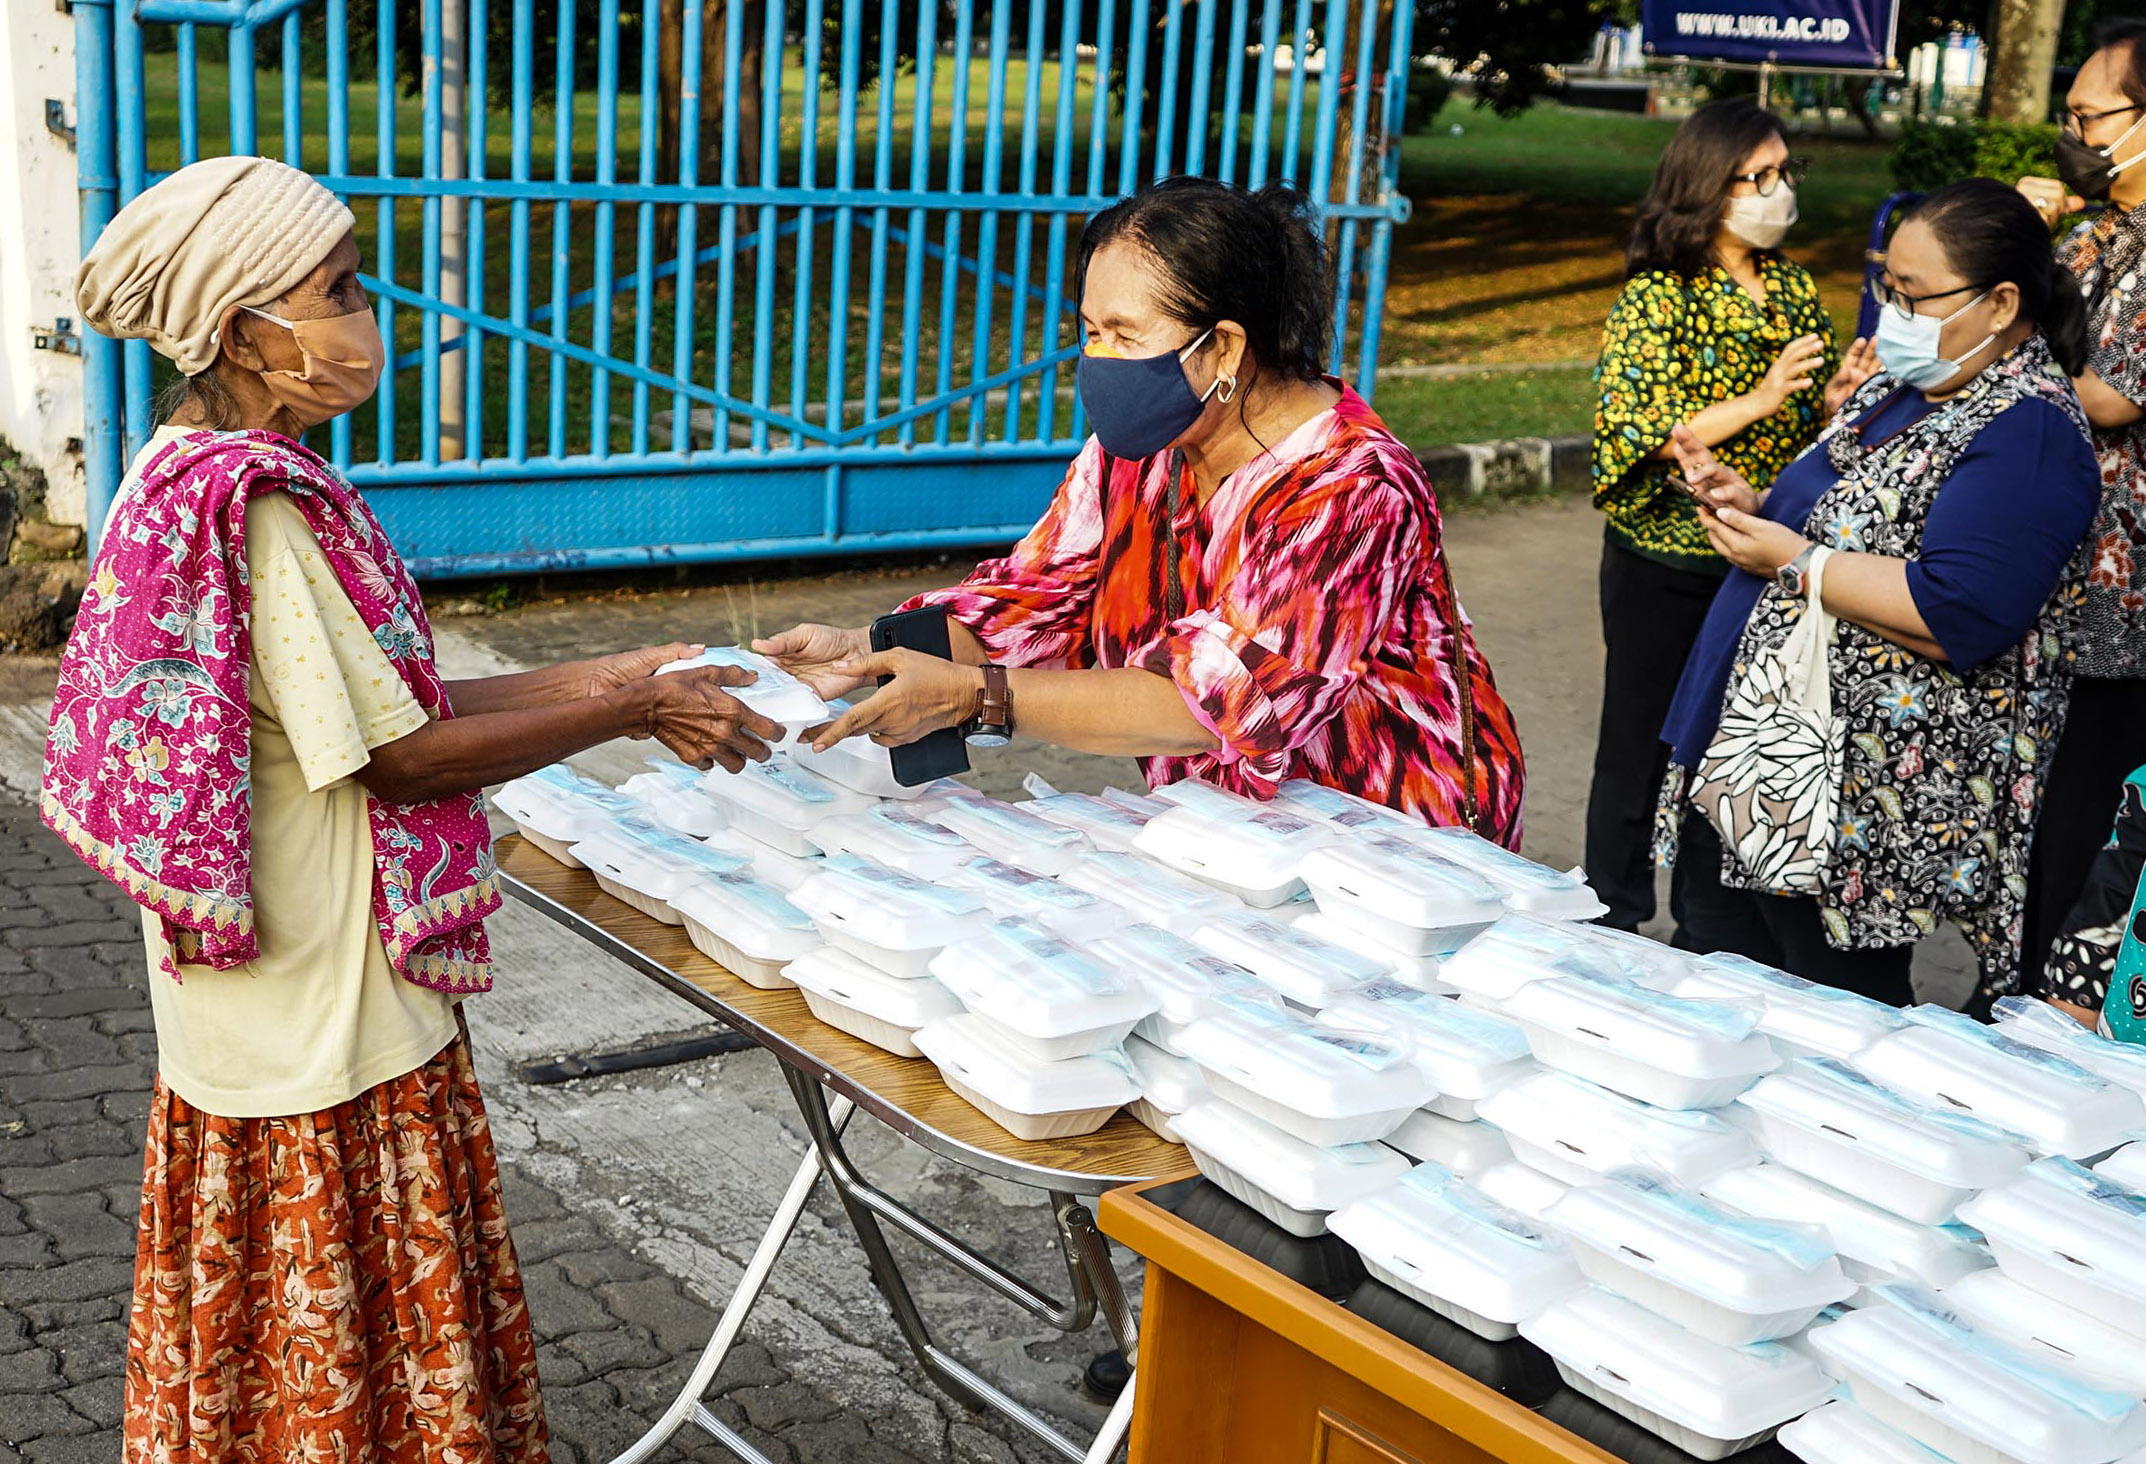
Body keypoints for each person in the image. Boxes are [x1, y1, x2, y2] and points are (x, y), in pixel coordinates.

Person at [53, 156, 784, 1462]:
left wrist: (613, 671)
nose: (359, 315)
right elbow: (398, 758)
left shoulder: (171, 474)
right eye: (332, 290)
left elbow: (363, 697)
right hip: (328, 1015)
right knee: (356, 1361)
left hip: (243, 1005)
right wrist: (633, 714)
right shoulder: (258, 510)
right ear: (245, 333)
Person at [756, 177, 1524, 841]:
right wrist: (868, 649)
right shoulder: (1143, 449)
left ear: (1223, 348)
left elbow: (1210, 704)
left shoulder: (1351, 489)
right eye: (1090, 332)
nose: (1099, 361)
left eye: (1125, 334)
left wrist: (980, 697)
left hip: (1397, 842)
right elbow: (1036, 594)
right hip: (1230, 838)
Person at [1658, 179, 2100, 1003]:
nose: (1890, 312)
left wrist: (1793, 561)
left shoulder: (2028, 429)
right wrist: (1752, 502)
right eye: (1885, 288)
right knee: (1710, 983)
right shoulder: (1907, 386)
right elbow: (1840, 516)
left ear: (2001, 303)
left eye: (1912, 294)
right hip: (1760, 765)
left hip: (1851, 802)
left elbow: (1957, 610)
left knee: (1819, 1025)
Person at [1585, 96, 1873, 934]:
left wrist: (1831, 401)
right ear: (1710, 185)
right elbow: (1637, 431)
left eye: (1787, 173)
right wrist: (1764, 395)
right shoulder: (1657, 295)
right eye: (1761, 176)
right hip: (1666, 558)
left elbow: (1805, 425)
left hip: (1761, 555)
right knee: (1640, 744)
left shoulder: (1788, 284)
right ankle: (1611, 915)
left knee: (1729, 739)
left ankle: (1707, 927)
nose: (1779, 191)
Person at [2014, 19, 2146, 992]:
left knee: (2078, 824)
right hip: (2037, 579)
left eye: (2088, 116)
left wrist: (2011, 337)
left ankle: (2051, 1015)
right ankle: (2007, 988)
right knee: (2021, 815)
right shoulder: (2088, 232)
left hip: (2114, 602)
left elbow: (2108, 393)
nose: (2074, 134)